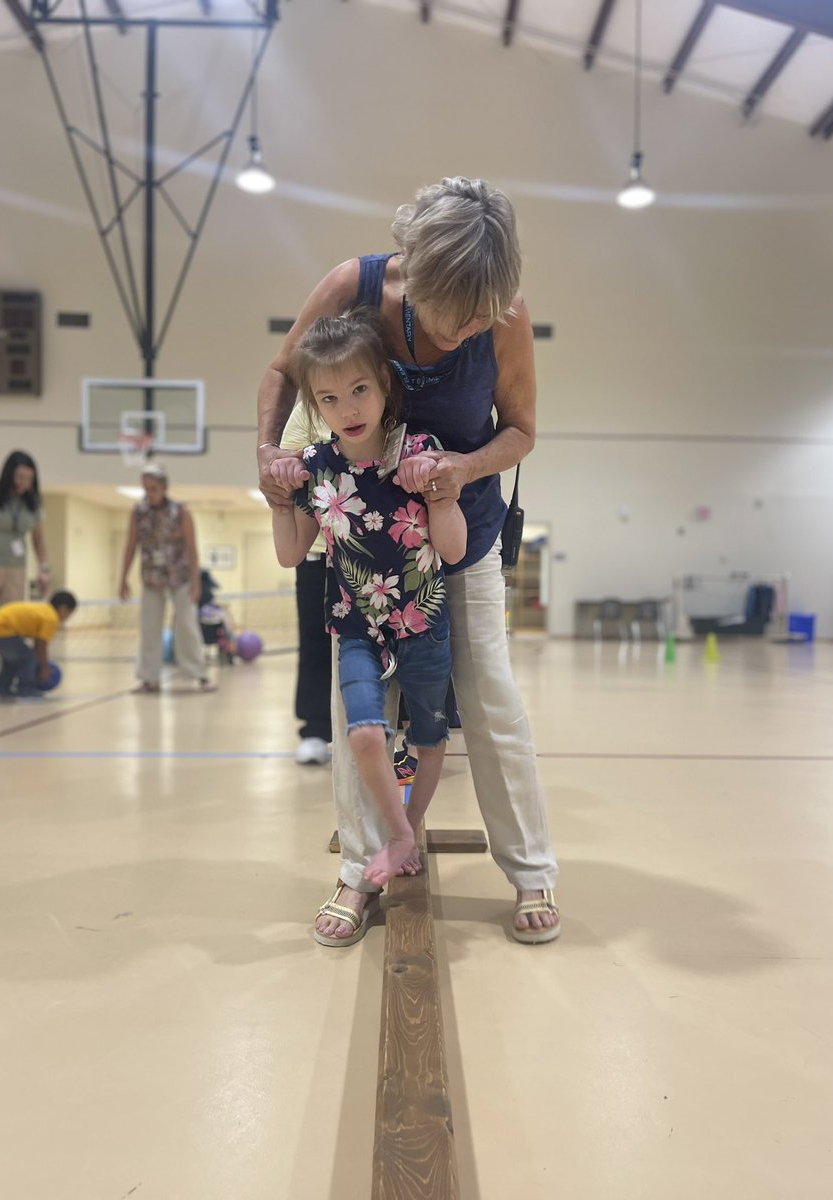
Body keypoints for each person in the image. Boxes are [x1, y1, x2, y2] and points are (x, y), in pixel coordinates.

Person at [259, 176, 560, 945]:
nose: (463, 335)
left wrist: (461, 469)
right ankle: (360, 868)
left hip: (461, 533)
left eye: (479, 321)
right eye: (452, 319)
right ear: (416, 275)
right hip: (365, 544)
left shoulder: (505, 318)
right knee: (355, 704)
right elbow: (281, 373)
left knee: (487, 690)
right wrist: (269, 455)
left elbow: (521, 430)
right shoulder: (352, 289)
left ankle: (531, 871)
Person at [271, 309, 467, 943]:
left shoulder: (418, 453)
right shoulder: (317, 467)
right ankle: (402, 837)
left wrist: (443, 495)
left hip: (423, 620)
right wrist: (280, 500)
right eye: (328, 398)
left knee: (430, 736)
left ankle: (409, 826)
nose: (348, 407)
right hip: (355, 623)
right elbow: (291, 552)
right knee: (362, 736)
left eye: (359, 389)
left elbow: (455, 551)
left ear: (384, 384)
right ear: (314, 405)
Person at [118, 461, 215, 694]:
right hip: (151, 577)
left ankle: (199, 675)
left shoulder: (181, 512)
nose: (149, 493)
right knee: (149, 627)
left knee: (187, 624)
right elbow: (131, 545)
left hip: (180, 577)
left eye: (153, 488)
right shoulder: (138, 512)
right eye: (146, 488)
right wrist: (122, 578)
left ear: (164, 488)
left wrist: (195, 582)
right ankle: (149, 678)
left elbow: (192, 548)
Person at [280, 402, 333, 766]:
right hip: (316, 551)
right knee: (314, 642)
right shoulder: (305, 412)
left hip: (373, 553)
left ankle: (397, 731)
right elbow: (288, 471)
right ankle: (315, 729)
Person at [0, 589, 77, 699]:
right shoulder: (51, 618)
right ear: (63, 608)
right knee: (28, 657)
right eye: (69, 613)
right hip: (1, 628)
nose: (67, 618)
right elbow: (41, 646)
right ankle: (26, 689)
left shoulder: (43, 610)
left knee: (13, 659)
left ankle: (1, 687)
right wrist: (44, 667)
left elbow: (37, 643)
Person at [0, 451, 49, 607]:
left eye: (29, 479)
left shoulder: (33, 503)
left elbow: (38, 538)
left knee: (12, 613)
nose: (23, 483)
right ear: (9, 474)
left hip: (16, 566)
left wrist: (43, 568)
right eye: (20, 477)